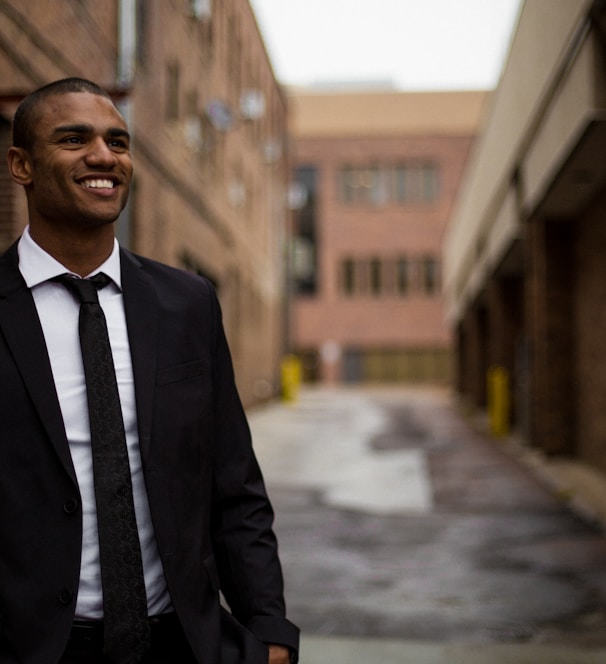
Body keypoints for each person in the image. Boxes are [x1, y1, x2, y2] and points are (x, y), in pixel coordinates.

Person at [0, 77, 299, 664]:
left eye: (119, 141)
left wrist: (269, 629)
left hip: (179, 643)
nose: (104, 157)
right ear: (22, 165)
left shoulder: (186, 303)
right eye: (73, 139)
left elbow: (233, 483)